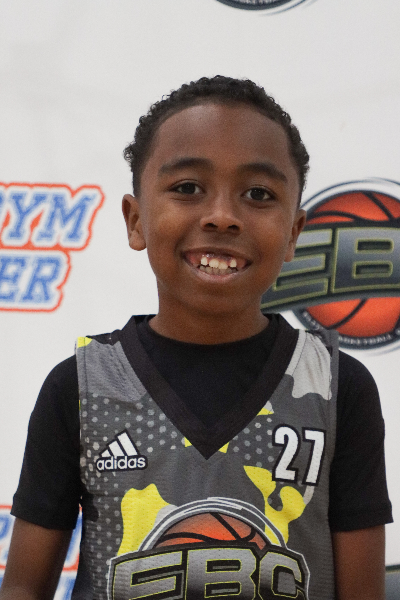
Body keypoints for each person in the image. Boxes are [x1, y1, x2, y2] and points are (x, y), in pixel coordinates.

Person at [0, 76, 392, 600]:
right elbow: (23, 588)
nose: (222, 217)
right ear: (135, 220)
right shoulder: (80, 388)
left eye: (258, 194)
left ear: (294, 234)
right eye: (187, 188)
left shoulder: (338, 388)